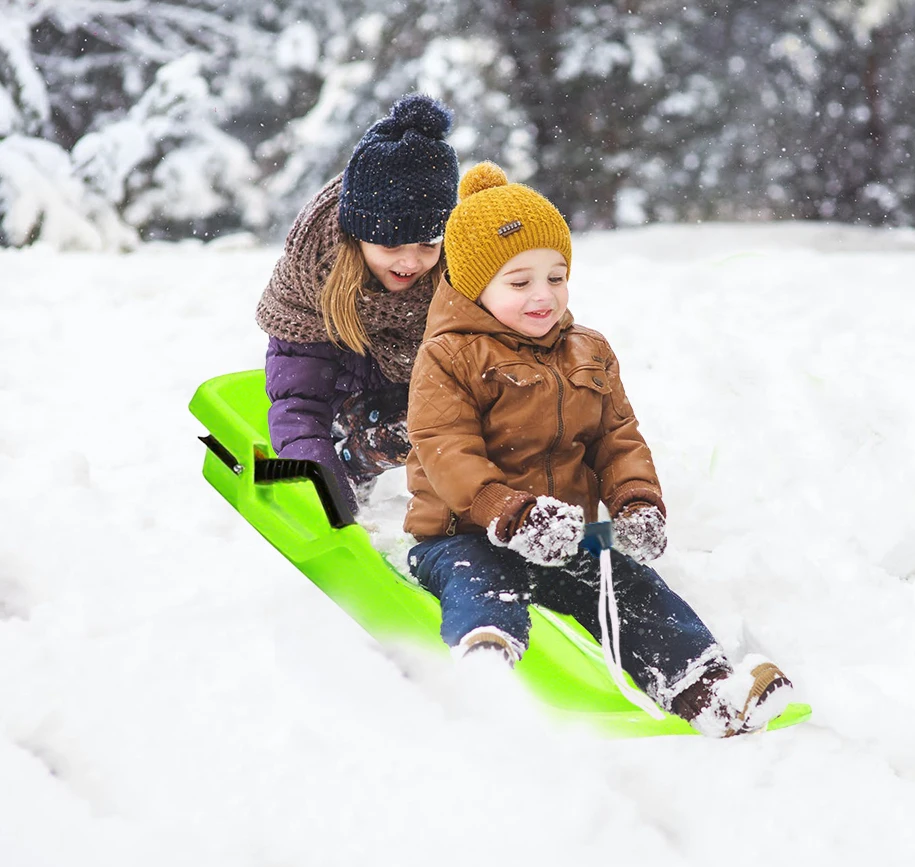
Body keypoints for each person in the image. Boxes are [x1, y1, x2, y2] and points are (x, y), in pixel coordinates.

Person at [402, 162, 795, 737]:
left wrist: (636, 503)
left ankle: (711, 692)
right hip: (462, 530)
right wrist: (508, 513)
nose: (544, 295)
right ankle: (485, 663)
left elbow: (618, 439)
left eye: (556, 277)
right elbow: (445, 450)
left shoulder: (588, 350)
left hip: (566, 534)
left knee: (631, 585)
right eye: (519, 282)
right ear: (472, 288)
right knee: (482, 579)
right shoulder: (449, 356)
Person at [256, 94, 459, 511]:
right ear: (356, 236)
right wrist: (331, 497)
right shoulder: (314, 286)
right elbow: (301, 407)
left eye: (427, 244)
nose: (410, 261)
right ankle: (353, 467)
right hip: (343, 421)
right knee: (416, 425)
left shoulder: (456, 279)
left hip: (423, 407)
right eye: (390, 244)